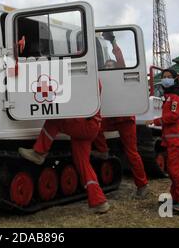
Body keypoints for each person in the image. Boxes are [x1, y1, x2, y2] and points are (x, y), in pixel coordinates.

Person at [18, 82, 110, 214]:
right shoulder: (92, 77)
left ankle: (39, 152)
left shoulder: (87, 77)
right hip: (90, 124)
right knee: (83, 165)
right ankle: (99, 202)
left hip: (85, 123)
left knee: (55, 120)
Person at [92, 31, 150, 199]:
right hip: (109, 117)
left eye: (112, 65)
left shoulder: (121, 72)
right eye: (107, 66)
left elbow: (118, 56)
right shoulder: (101, 77)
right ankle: (103, 151)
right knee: (94, 127)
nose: (109, 67)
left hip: (125, 118)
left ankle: (142, 185)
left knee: (132, 152)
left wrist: (113, 42)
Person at [145, 68, 179, 214]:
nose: (165, 79)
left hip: (177, 138)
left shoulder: (176, 96)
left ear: (174, 79)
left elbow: (172, 116)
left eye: (168, 77)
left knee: (175, 170)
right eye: (164, 76)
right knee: (173, 170)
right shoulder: (170, 95)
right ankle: (176, 197)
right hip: (172, 138)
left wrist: (155, 121)